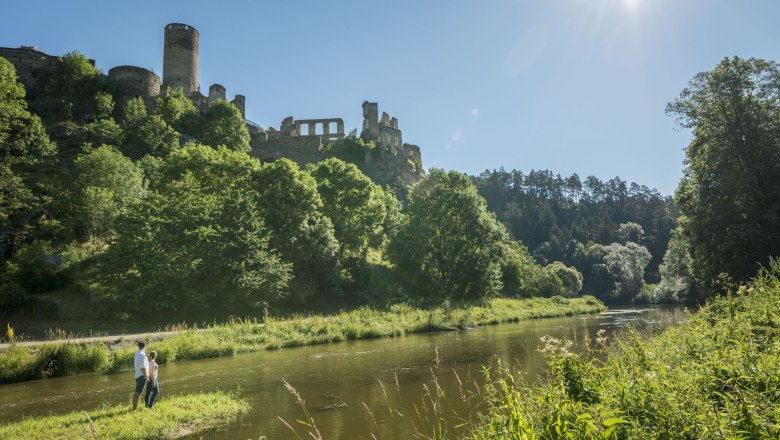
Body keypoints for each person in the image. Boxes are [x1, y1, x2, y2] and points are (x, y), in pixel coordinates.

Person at [132, 340, 149, 410]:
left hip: (137, 375)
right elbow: (142, 367)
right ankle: (134, 408)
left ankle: (135, 407)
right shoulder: (142, 355)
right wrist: (146, 376)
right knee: (138, 393)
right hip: (142, 376)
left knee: (137, 392)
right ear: (145, 346)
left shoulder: (137, 353)